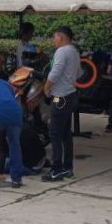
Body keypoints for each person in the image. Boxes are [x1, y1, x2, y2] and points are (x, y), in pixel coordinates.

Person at [42, 25, 80, 182]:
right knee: (65, 134)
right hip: (70, 95)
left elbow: (55, 71)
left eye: (54, 37)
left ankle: (56, 169)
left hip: (59, 97)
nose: (53, 40)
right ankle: (67, 167)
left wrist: (46, 86)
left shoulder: (62, 51)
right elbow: (78, 72)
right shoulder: (74, 51)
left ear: (61, 38)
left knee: (55, 133)